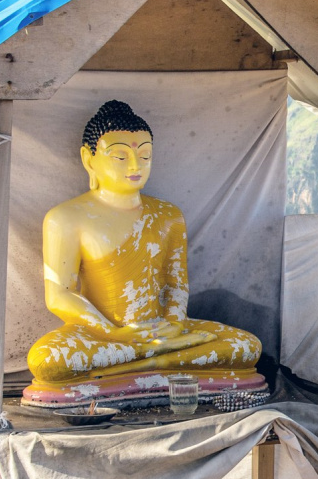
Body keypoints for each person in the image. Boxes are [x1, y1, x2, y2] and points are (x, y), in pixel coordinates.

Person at [25, 100, 261, 388]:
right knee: (47, 360)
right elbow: (59, 295)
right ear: (89, 160)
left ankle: (134, 366)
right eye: (120, 157)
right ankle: (155, 361)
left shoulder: (168, 215)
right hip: (101, 335)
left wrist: (174, 324)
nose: (136, 166)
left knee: (246, 346)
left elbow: (176, 284)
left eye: (145, 155)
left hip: (163, 330)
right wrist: (113, 334)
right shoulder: (65, 218)